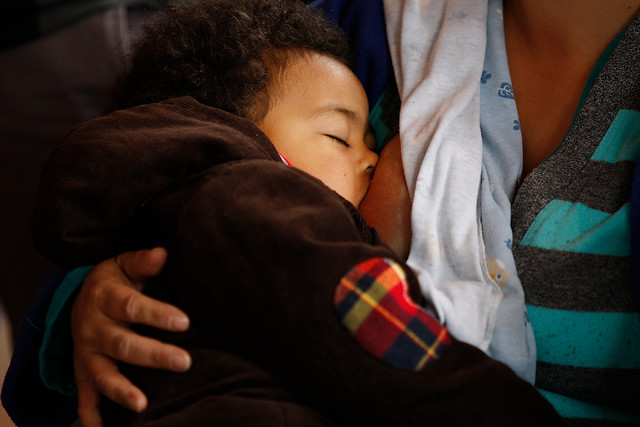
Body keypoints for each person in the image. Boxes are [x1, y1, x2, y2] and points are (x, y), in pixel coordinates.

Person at [6, 0, 640, 424]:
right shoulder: (331, 41)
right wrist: (90, 301)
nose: (372, 161)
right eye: (343, 139)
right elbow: (370, 326)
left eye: (373, 139)